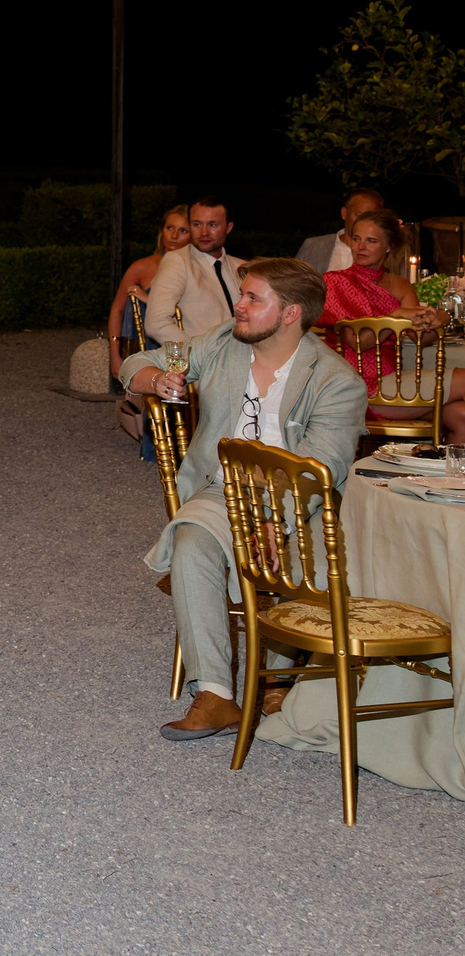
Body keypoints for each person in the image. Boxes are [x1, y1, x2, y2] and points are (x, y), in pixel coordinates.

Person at [123, 260, 366, 739]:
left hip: (301, 500)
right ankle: (214, 695)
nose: (240, 305)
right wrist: (156, 379)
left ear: (291, 312)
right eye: (243, 295)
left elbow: (323, 469)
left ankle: (277, 673)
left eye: (255, 298)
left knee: (299, 562)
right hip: (222, 487)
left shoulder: (337, 380)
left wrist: (276, 522)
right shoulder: (221, 344)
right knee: (191, 540)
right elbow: (141, 360)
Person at [315, 209, 453, 426]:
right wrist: (395, 316)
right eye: (356, 238)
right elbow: (358, 342)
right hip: (353, 386)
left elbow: (420, 339)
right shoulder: (333, 282)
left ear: (389, 246)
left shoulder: (400, 285)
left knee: (461, 415)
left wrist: (439, 320)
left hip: (393, 381)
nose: (360, 247)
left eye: (371, 241)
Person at [144, 196, 244, 347]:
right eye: (197, 224)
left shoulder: (241, 266)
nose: (204, 232)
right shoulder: (177, 261)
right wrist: (197, 353)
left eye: (212, 225)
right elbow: (156, 323)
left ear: (228, 227)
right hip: (203, 364)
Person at [108, 204, 193, 348]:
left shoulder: (199, 269)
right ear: (162, 230)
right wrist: (115, 354)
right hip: (146, 349)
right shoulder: (142, 267)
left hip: (188, 347)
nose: (174, 236)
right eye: (169, 228)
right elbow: (117, 310)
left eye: (183, 230)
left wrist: (148, 299)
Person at [296, 187, 386, 275]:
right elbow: (291, 284)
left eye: (372, 217)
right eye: (359, 215)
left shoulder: (385, 253)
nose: (365, 222)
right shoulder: (313, 247)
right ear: (344, 213)